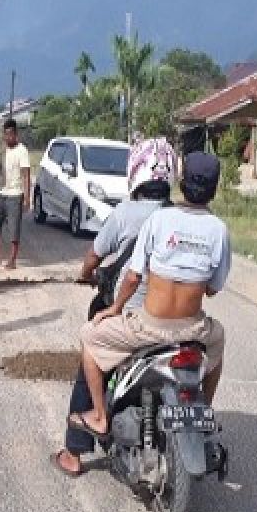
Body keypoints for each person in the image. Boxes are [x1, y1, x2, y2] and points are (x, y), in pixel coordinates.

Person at [56, 152, 230, 476]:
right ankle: (204, 407)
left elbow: (133, 275)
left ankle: (98, 417)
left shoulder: (156, 220)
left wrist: (114, 308)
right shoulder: (219, 230)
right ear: (214, 189)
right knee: (218, 346)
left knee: (90, 339)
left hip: (150, 327)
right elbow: (213, 288)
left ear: (182, 182)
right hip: (192, 329)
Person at [64, 138, 176, 461]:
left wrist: (85, 274)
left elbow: (93, 257)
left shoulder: (125, 213)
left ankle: (75, 450)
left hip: (133, 317)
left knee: (92, 355)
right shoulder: (178, 216)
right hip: (174, 318)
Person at [0, 118, 31, 269]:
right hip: (0, 193)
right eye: (5, 134)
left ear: (16, 134)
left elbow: (26, 175)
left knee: (13, 229)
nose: (8, 137)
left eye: (10, 134)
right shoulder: (2, 150)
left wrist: (27, 198)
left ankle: (12, 259)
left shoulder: (22, 151)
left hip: (15, 194)